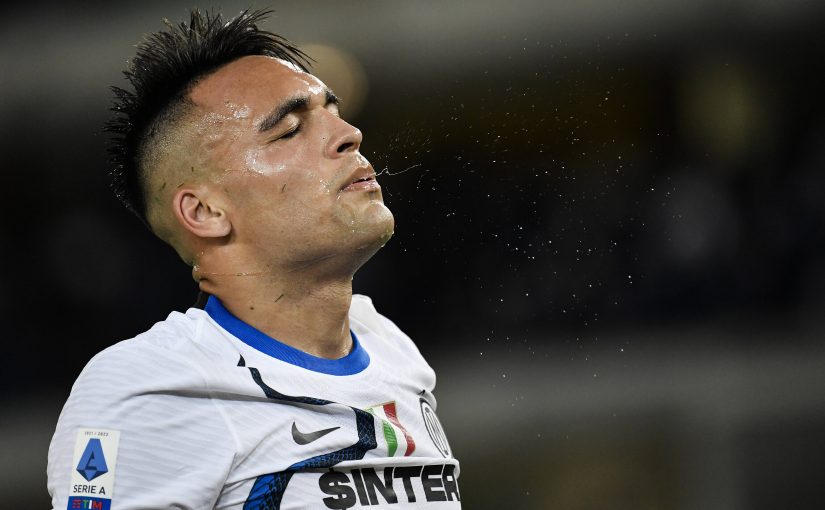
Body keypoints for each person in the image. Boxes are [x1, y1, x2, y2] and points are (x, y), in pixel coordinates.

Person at [47, 8, 460, 509]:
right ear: (205, 212)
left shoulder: (390, 349)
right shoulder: (150, 390)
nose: (349, 133)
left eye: (332, 111)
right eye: (289, 130)